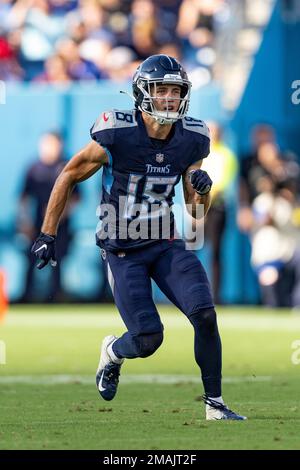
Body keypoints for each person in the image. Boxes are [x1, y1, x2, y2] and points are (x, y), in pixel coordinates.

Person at [31, 54, 246, 420]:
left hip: (165, 242)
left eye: (175, 91)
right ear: (142, 93)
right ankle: (113, 352)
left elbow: (195, 215)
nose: (169, 98)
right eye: (161, 90)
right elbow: (68, 175)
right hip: (122, 248)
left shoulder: (191, 139)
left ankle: (215, 404)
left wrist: (202, 189)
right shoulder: (117, 133)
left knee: (205, 315)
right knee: (148, 338)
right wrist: (47, 234)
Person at [19, 131, 80, 302]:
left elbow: (76, 199)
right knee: (31, 260)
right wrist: (25, 222)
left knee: (57, 261)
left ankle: (56, 296)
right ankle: (27, 297)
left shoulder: (67, 166)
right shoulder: (33, 168)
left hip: (61, 228)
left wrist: (56, 216)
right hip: (36, 227)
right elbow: (23, 198)